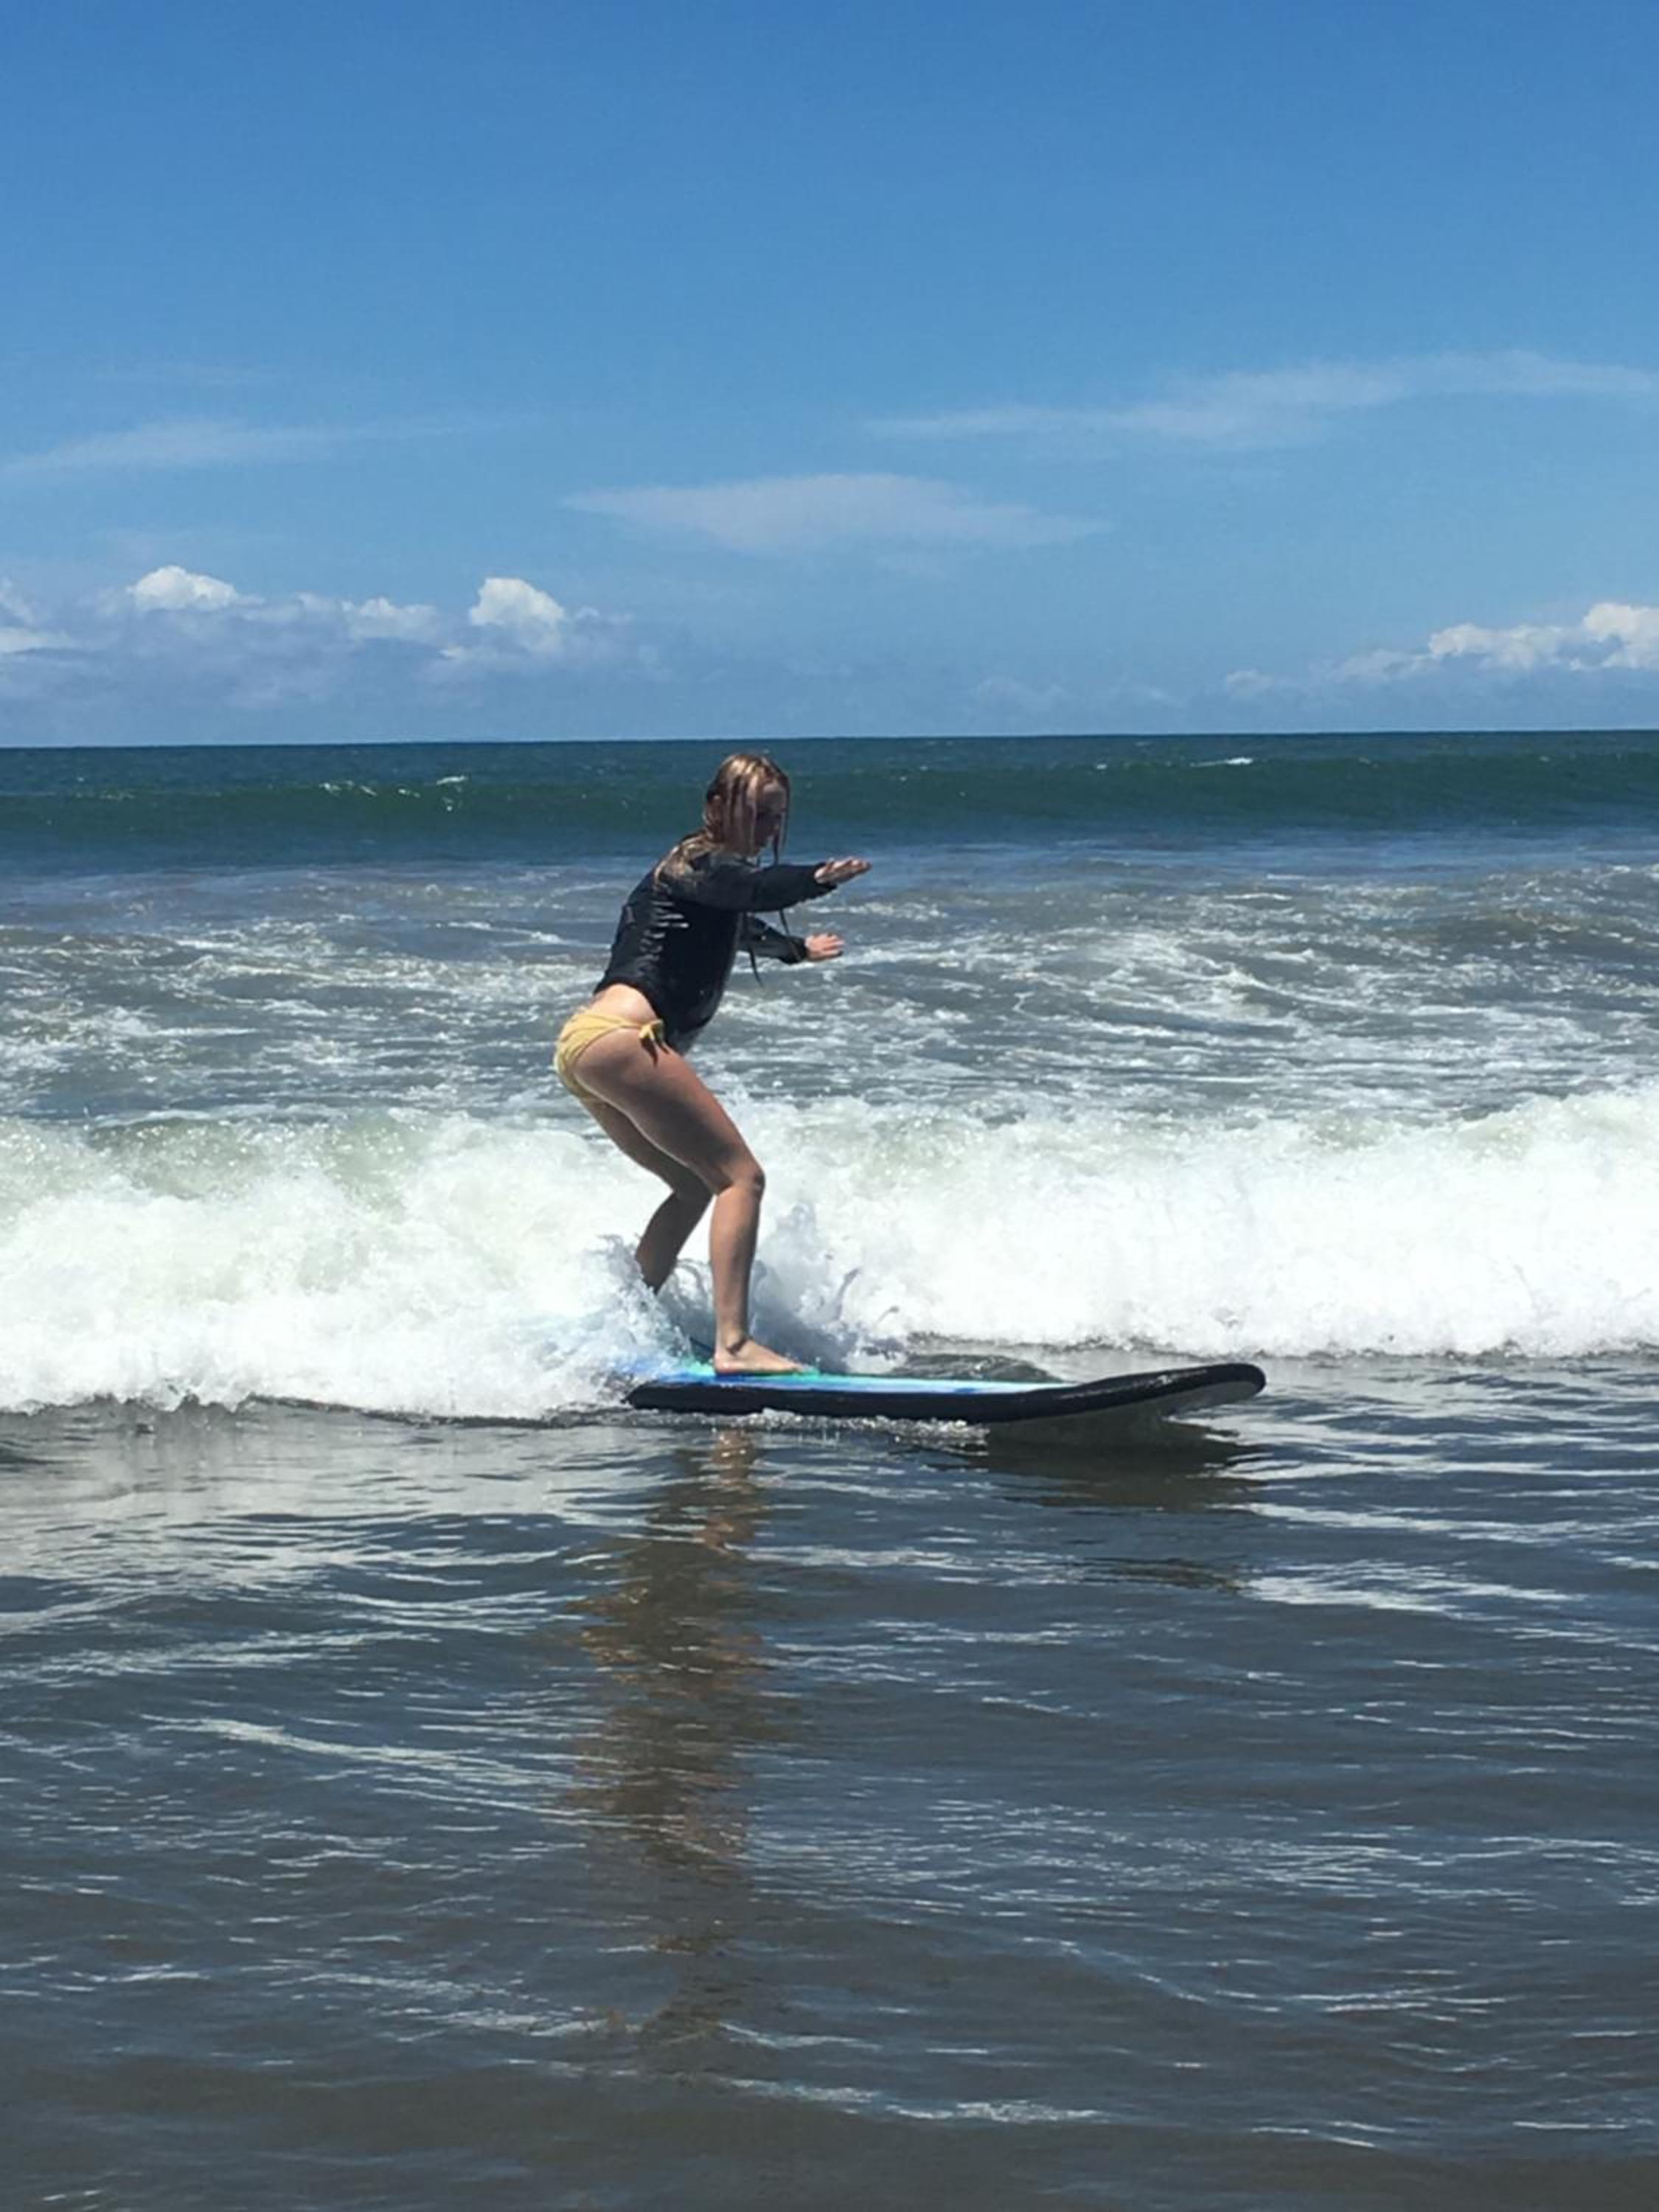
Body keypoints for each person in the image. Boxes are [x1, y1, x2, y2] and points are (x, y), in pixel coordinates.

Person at [555, 752, 870, 1374]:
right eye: (757, 814)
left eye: (776, 818)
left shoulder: (707, 885)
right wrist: (817, 879)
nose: (767, 830)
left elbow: (741, 924)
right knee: (740, 1179)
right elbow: (750, 890)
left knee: (694, 1185)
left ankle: (629, 1319)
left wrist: (796, 951)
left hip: (587, 1046)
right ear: (716, 806)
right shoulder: (693, 861)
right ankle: (734, 1344)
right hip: (624, 1038)